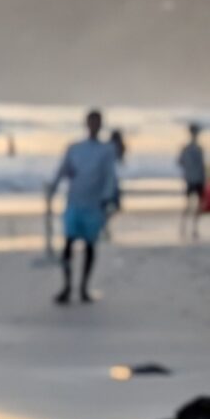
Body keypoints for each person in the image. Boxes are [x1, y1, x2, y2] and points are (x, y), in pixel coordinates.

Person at [46, 109, 119, 306]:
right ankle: (67, 286)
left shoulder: (107, 150)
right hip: (74, 202)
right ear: (86, 124)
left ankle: (84, 288)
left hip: (94, 205)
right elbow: (63, 170)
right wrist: (53, 188)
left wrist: (108, 198)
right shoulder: (75, 148)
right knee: (68, 244)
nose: (94, 125)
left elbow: (110, 176)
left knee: (89, 246)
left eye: (97, 122)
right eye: (91, 121)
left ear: (101, 125)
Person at [179, 124, 206, 242]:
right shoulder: (191, 148)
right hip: (193, 179)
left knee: (197, 205)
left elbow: (180, 162)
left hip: (195, 179)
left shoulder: (194, 148)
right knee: (190, 204)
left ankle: (193, 228)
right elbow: (181, 162)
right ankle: (186, 227)